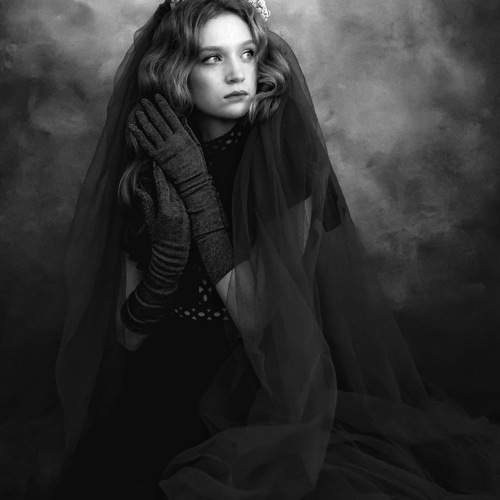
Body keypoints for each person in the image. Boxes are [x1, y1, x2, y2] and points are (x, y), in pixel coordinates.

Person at [55, 0, 500, 498]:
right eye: (212, 58)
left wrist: (197, 189)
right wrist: (167, 262)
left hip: (256, 385)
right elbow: (129, 335)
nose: (236, 73)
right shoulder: (154, 163)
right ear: (177, 71)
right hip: (163, 380)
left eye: (247, 53)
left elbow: (256, 320)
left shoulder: (283, 160)